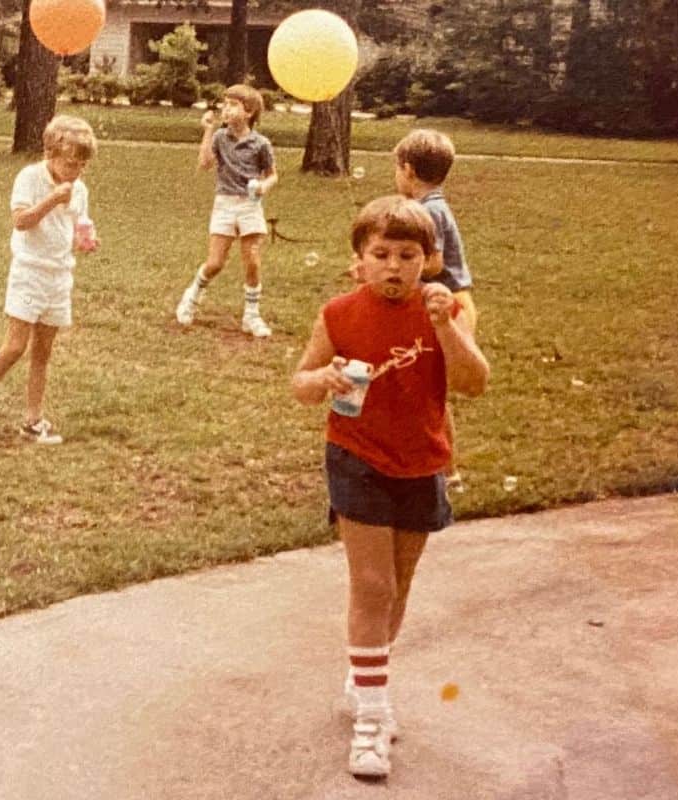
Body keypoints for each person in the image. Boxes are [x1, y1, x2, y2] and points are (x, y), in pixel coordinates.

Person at [292, 195, 489, 779]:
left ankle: (364, 675)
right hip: (356, 456)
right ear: (359, 261)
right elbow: (299, 383)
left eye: (408, 255)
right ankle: (372, 719)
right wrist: (322, 378)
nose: (394, 266)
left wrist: (444, 326)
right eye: (381, 254)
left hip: (421, 459)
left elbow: (475, 383)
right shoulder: (339, 314)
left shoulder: (446, 309)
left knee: (398, 588)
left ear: (430, 260)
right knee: (372, 585)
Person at [0, 115, 98, 445]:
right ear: (50, 154)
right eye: (71, 164)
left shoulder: (79, 188)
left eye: (82, 166)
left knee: (43, 351)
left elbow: (79, 222)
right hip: (29, 273)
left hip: (59, 276)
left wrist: (86, 237)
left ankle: (32, 420)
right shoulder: (30, 178)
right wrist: (52, 199)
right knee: (15, 346)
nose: (76, 172)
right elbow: (21, 221)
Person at [393, 128, 477, 493]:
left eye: (397, 168)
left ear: (408, 170)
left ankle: (447, 473)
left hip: (452, 306)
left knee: (432, 394)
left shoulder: (428, 211)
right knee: (427, 391)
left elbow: (434, 262)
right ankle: (437, 467)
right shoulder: (432, 206)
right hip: (452, 303)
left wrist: (394, 265)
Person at [176, 83, 278, 337]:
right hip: (224, 203)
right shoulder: (221, 138)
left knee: (252, 262)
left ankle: (251, 317)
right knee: (215, 263)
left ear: (249, 112)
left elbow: (273, 175)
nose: (226, 108)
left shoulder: (260, 144)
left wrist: (264, 187)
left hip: (250, 205)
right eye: (225, 103)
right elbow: (205, 163)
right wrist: (209, 130)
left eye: (233, 104)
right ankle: (191, 297)